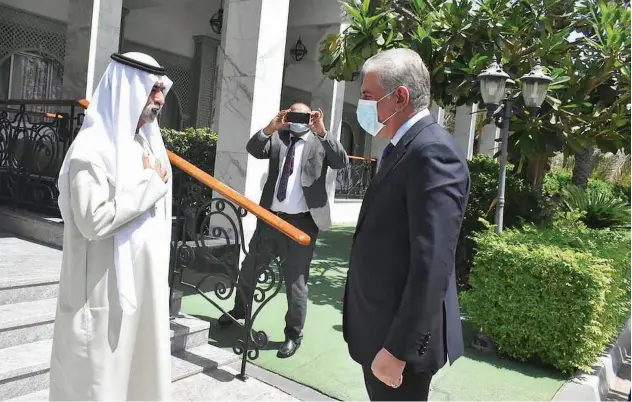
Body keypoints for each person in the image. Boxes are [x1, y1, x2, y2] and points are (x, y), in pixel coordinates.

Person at [343, 48, 470, 401]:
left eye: (368, 96)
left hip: (398, 348)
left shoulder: (432, 152)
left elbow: (432, 264)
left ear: (399, 97)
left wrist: (399, 350)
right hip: (379, 330)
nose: (362, 105)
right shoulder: (404, 146)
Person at [50, 52, 174, 401]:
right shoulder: (91, 150)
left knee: (136, 380)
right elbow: (93, 220)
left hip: (139, 292)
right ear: (128, 91)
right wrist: (150, 184)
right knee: (99, 384)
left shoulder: (143, 143)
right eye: (153, 91)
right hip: (102, 295)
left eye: (161, 90)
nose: (160, 100)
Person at [217, 103, 349, 358]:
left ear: (311, 117)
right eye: (293, 114)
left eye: (304, 115)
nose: (298, 120)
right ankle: (239, 310)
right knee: (249, 268)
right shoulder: (278, 138)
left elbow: (341, 161)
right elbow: (253, 149)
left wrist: (322, 131)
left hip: (301, 223)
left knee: (296, 282)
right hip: (270, 219)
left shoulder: (320, 141)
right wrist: (271, 126)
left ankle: (293, 335)